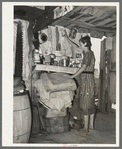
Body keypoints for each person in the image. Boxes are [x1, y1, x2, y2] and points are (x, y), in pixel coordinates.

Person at [63, 30, 96, 133]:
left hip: (87, 80)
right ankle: (90, 126)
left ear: (85, 44)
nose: (80, 45)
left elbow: (83, 68)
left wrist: (72, 76)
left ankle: (86, 128)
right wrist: (67, 38)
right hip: (88, 80)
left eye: (81, 43)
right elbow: (75, 46)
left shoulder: (88, 54)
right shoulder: (88, 52)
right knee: (90, 102)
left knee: (86, 103)